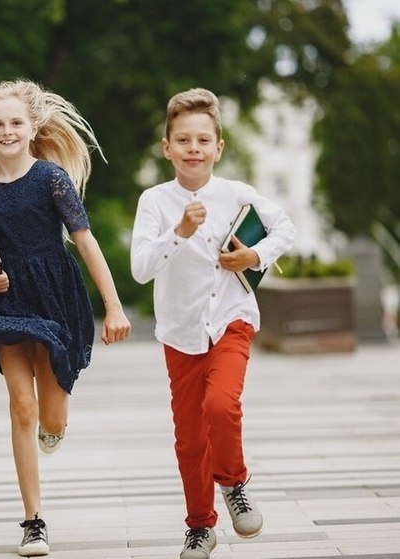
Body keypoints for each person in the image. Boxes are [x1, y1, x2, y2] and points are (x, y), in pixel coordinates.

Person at [0, 79, 131, 557]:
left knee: (51, 412)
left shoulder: (51, 178)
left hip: (55, 296)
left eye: (15, 123)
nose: (7, 131)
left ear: (32, 128)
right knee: (20, 408)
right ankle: (33, 521)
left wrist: (112, 305)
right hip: (7, 302)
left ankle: (57, 425)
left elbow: (85, 241)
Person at [130, 88, 296, 559]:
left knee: (222, 406)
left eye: (203, 139)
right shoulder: (155, 202)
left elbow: (285, 227)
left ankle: (235, 482)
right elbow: (141, 268)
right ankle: (201, 527)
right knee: (189, 438)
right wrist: (178, 233)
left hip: (231, 321)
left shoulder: (237, 194)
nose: (194, 148)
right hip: (180, 334)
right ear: (167, 147)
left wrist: (254, 255)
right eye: (183, 140)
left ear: (218, 147)